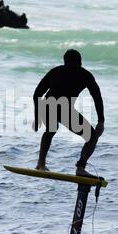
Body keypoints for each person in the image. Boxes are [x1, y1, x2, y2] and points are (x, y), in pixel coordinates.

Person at [33, 49, 105, 177]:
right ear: (80, 62)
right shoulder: (84, 74)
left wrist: (37, 114)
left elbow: (37, 93)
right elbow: (97, 97)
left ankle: (41, 163)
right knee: (91, 137)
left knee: (51, 130)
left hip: (49, 106)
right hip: (58, 108)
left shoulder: (56, 71)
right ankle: (79, 168)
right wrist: (101, 121)